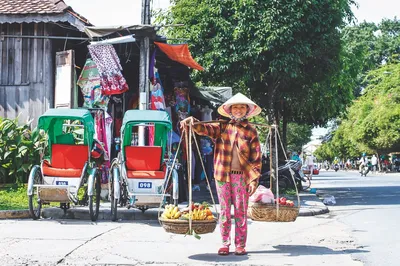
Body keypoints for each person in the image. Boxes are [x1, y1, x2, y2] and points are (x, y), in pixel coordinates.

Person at [180, 93, 262, 256]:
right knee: (224, 211)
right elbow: (204, 128)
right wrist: (192, 122)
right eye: (235, 107)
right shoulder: (222, 127)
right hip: (222, 175)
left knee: (241, 211)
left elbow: (256, 157)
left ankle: (240, 244)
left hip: (242, 177)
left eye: (242, 107)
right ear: (230, 110)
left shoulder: (251, 131)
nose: (238, 110)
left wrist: (254, 180)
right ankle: (225, 243)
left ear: (247, 111)